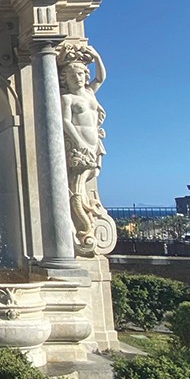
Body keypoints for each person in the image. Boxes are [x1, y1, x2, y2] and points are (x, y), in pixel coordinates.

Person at [60, 49, 107, 246]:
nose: (77, 78)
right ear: (65, 79)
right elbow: (64, 120)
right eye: (72, 75)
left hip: (94, 143)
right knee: (76, 188)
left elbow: (101, 78)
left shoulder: (89, 93)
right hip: (78, 145)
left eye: (80, 74)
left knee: (87, 180)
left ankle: (82, 228)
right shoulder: (67, 98)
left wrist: (96, 57)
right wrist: (78, 141)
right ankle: (83, 230)